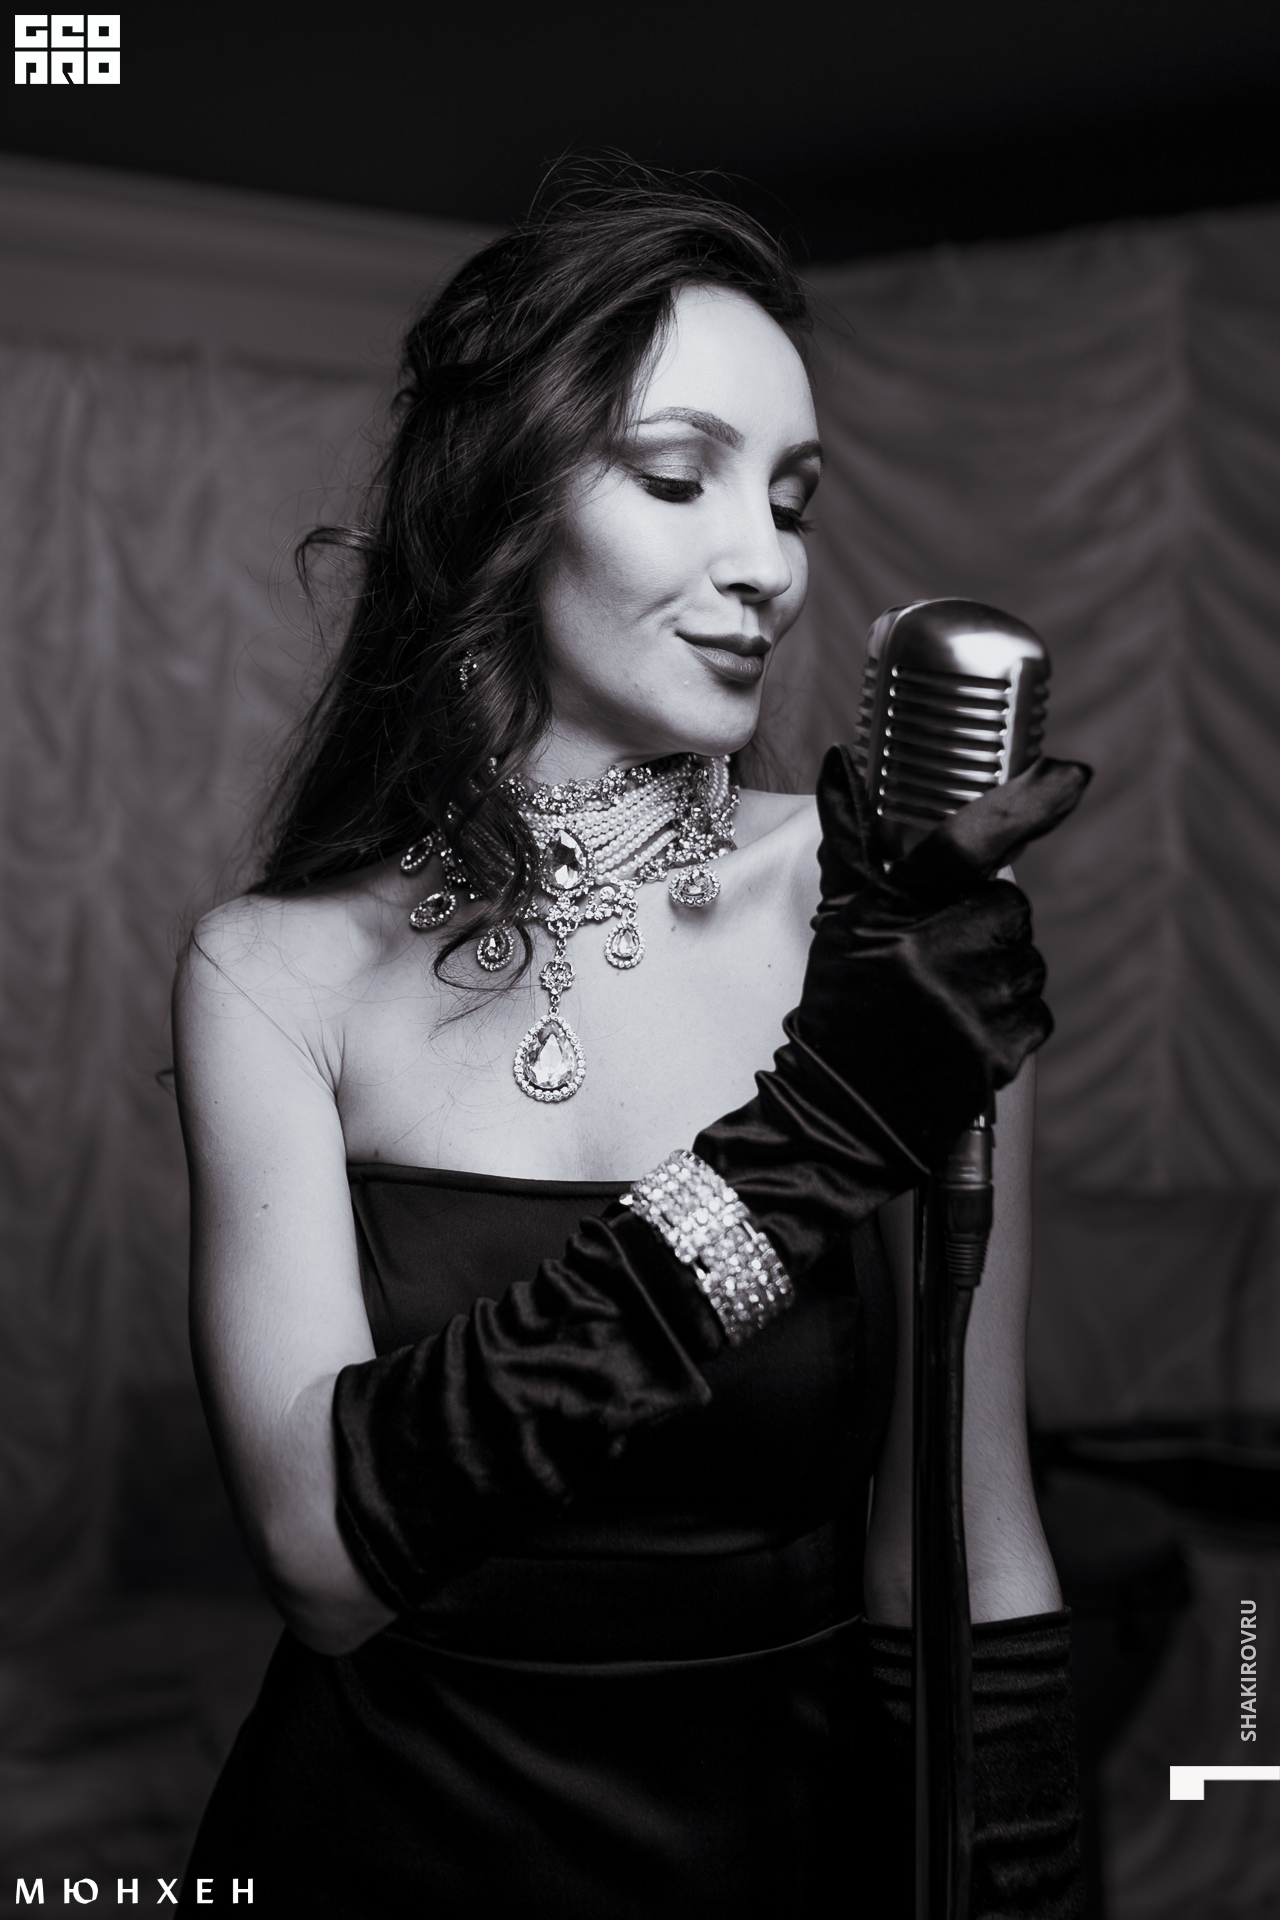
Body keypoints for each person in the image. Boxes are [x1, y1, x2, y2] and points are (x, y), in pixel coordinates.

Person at [173, 169, 1086, 1917]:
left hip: (782, 1853)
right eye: (680, 480)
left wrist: (1030, 1884)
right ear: (503, 510)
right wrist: (814, 1136)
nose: (770, 565)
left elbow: (968, 1538)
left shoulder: (895, 916)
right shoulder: (271, 974)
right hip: (375, 1846)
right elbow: (325, 1561)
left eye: (793, 500)